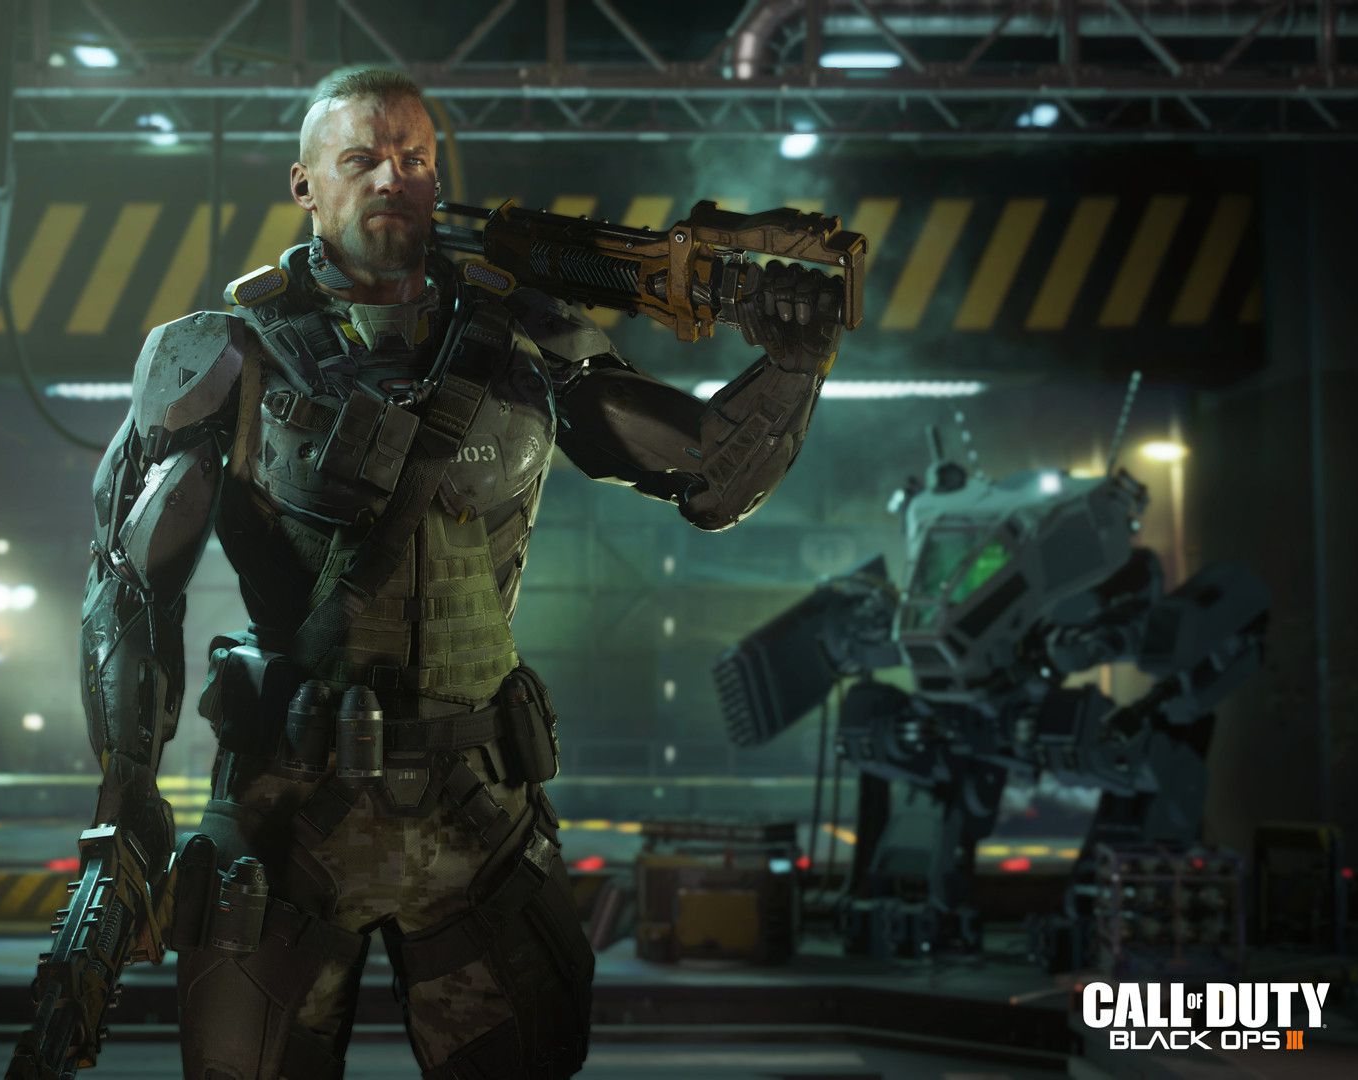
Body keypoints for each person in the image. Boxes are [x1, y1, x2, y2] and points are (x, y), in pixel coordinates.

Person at [79, 66, 843, 1080]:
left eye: (413, 159)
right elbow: (130, 587)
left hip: (479, 812)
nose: (390, 178)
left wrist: (793, 365)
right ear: (304, 183)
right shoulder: (220, 356)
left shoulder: (527, 338)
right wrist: (127, 788)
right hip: (284, 815)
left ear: (437, 178)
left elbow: (711, 478)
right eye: (360, 159)